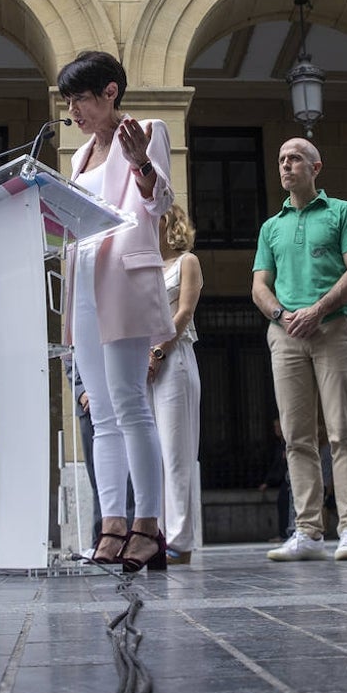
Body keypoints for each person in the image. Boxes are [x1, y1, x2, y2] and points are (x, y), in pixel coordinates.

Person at [60, 50, 175, 573]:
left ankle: (147, 528)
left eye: (79, 99)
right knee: (99, 412)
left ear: (110, 92)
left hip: (123, 277)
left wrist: (140, 163)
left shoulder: (148, 130)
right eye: (68, 104)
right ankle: (111, 526)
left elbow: (158, 204)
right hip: (82, 279)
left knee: (130, 403)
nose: (73, 112)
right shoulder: (78, 156)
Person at [252, 137, 347, 562]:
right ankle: (307, 532)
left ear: (316, 167)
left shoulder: (343, 211)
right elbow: (259, 286)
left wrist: (317, 310)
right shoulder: (271, 227)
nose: (286, 165)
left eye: (295, 158)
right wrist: (284, 316)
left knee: (343, 432)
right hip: (285, 335)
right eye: (281, 159)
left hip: (334, 329)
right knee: (297, 437)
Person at [148, 204, 203, 564]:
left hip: (174, 357)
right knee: (153, 454)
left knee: (176, 453)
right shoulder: (145, 267)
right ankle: (156, 536)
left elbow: (183, 313)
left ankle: (180, 542)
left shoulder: (188, 262)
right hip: (143, 364)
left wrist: (158, 352)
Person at [63, 359, 134, 548]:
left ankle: (128, 539)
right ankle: (99, 541)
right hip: (89, 409)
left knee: (126, 476)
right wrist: (82, 393)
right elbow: (70, 357)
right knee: (98, 478)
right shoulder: (77, 328)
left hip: (120, 404)